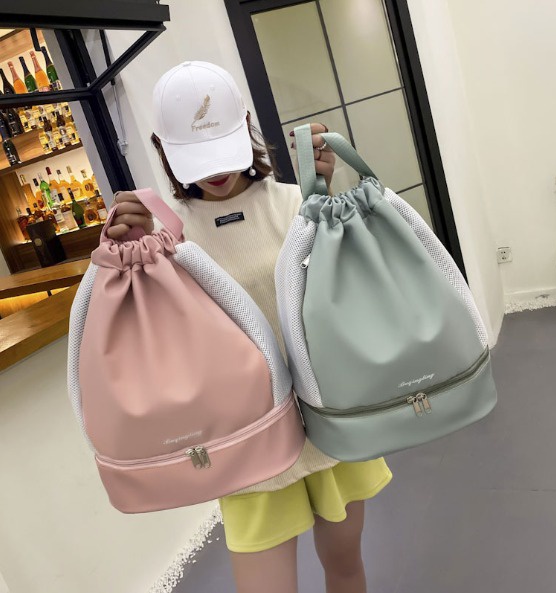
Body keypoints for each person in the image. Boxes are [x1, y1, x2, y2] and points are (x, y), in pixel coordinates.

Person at [107, 61, 392, 593]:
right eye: (197, 155)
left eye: (223, 148)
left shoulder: (294, 203)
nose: (216, 173)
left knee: (345, 565)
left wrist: (325, 197)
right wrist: (130, 258)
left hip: (325, 417)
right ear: (162, 147)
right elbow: (155, 336)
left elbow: (341, 294)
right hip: (243, 438)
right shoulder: (165, 235)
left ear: (245, 127)